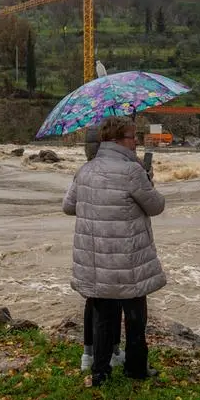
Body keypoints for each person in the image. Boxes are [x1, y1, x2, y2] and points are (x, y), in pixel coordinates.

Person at [63, 116, 166, 386]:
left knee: (103, 318)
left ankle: (100, 372)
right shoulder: (132, 172)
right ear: (119, 140)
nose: (136, 143)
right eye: (133, 137)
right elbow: (156, 206)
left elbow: (68, 206)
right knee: (135, 317)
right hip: (128, 259)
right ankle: (135, 368)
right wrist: (148, 179)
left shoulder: (85, 170)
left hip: (96, 258)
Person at [79, 124, 125, 371]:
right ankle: (111, 354)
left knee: (94, 301)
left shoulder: (84, 171)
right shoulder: (123, 169)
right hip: (114, 245)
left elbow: (68, 205)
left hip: (89, 243)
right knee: (113, 301)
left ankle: (88, 355)